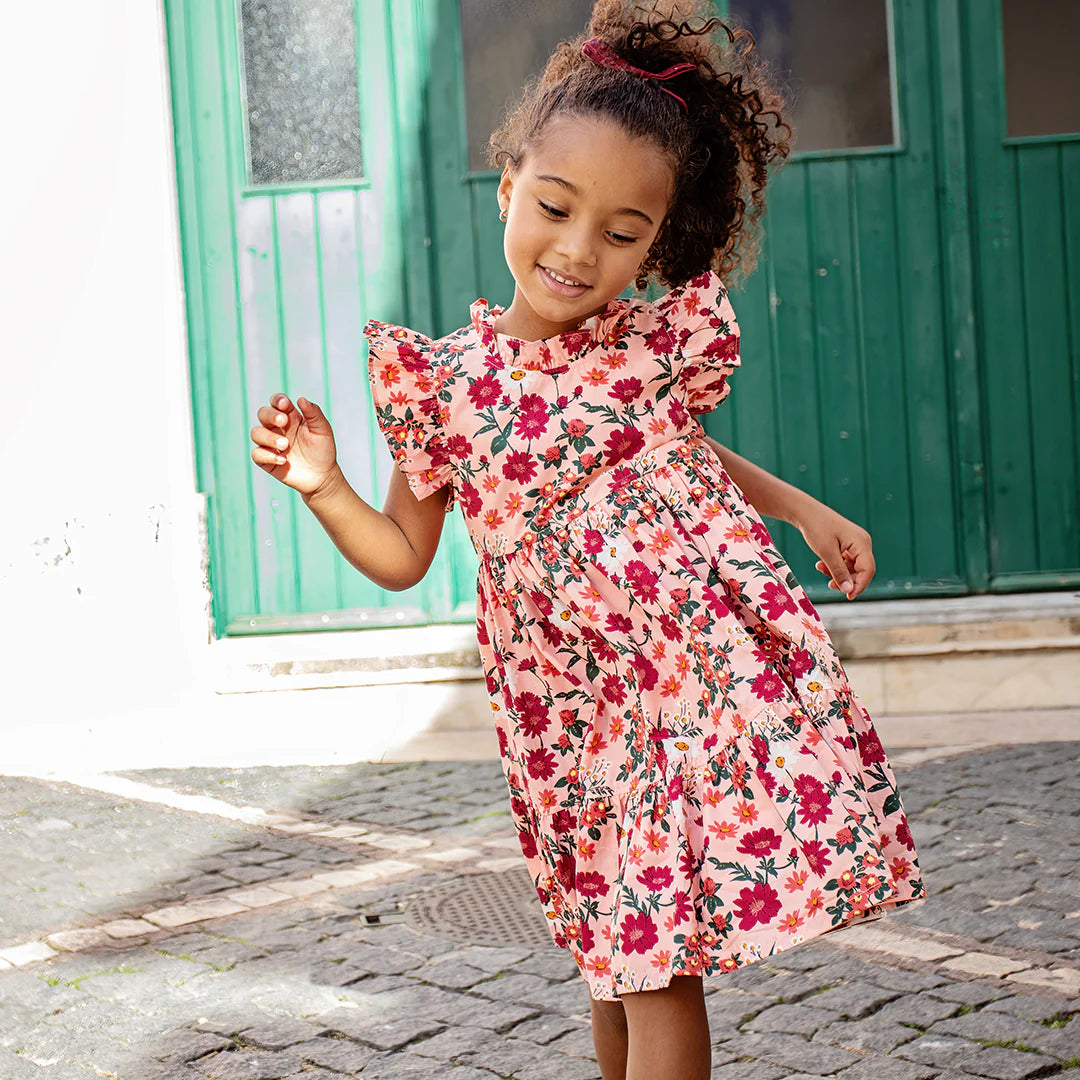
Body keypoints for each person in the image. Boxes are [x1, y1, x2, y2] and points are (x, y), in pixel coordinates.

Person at [249, 3, 928, 1077]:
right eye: (557, 208)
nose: (576, 252)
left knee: (657, 965)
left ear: (659, 241)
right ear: (510, 179)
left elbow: (674, 451)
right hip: (560, 720)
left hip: (672, 693)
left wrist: (801, 508)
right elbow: (400, 555)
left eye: (622, 234)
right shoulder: (448, 387)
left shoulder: (647, 352)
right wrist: (323, 485)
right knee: (614, 958)